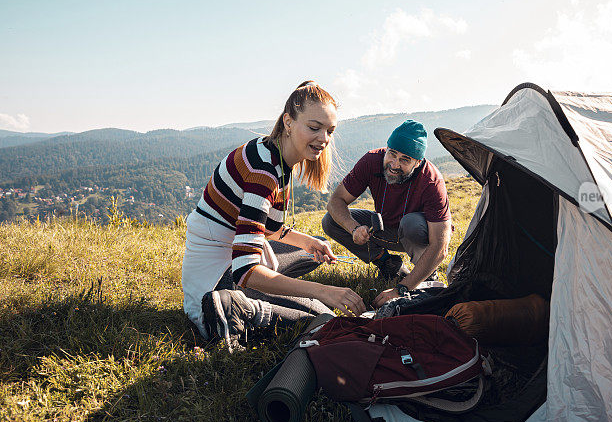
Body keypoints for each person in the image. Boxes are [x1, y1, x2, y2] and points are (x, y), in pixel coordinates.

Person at [182, 81, 366, 349]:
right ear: (288, 122)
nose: (324, 139)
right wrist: (325, 291)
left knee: (309, 247)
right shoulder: (264, 173)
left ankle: (250, 299)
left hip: (228, 253)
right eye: (314, 128)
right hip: (216, 277)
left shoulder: (273, 153)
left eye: (329, 131)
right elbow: (245, 271)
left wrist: (307, 242)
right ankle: (235, 307)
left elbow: (260, 226)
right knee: (321, 315)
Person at [323, 119, 452, 307]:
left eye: (405, 160)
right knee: (330, 221)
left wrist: (402, 289)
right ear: (387, 148)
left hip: (416, 235)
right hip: (384, 229)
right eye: (392, 154)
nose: (394, 164)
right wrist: (354, 229)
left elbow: (440, 247)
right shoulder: (371, 161)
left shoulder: (431, 181)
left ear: (417, 162)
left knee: (411, 224)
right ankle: (387, 263)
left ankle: (426, 275)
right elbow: (336, 201)